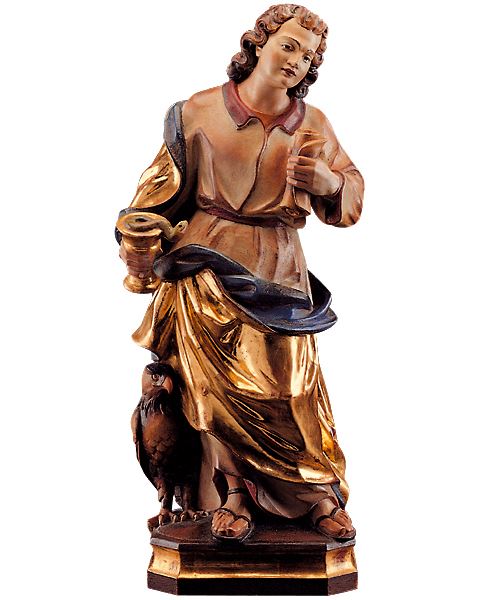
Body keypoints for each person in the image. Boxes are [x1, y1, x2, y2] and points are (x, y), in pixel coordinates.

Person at [118, 3, 364, 543]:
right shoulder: (198, 112)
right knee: (215, 393)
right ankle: (233, 496)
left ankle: (316, 495)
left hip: (279, 268)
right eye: (288, 45)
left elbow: (351, 192)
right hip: (206, 270)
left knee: (292, 389)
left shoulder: (313, 124)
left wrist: (328, 183)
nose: (296, 61)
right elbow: (153, 198)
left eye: (308, 56)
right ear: (258, 44)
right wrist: (139, 238)